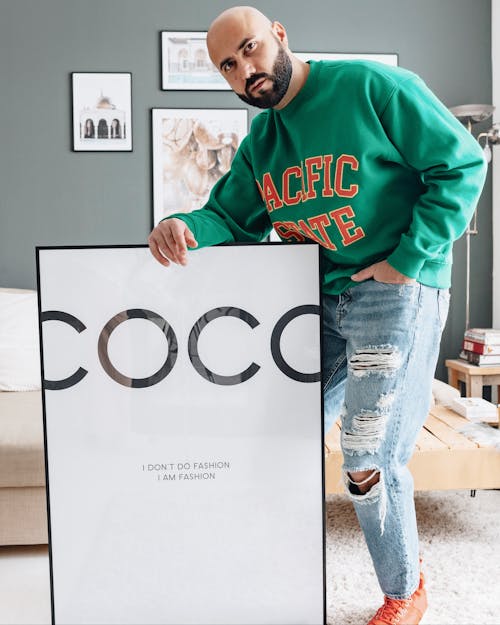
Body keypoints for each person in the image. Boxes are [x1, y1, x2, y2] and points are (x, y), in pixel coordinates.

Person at [148, 6, 487, 624]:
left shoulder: (371, 88)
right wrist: (182, 225)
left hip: (394, 293)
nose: (245, 70)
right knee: (278, 435)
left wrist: (406, 259)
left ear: (279, 36)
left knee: (366, 454)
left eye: (249, 49)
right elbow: (229, 218)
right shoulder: (264, 143)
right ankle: (271, 567)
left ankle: (405, 592)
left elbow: (462, 164)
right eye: (229, 65)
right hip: (320, 302)